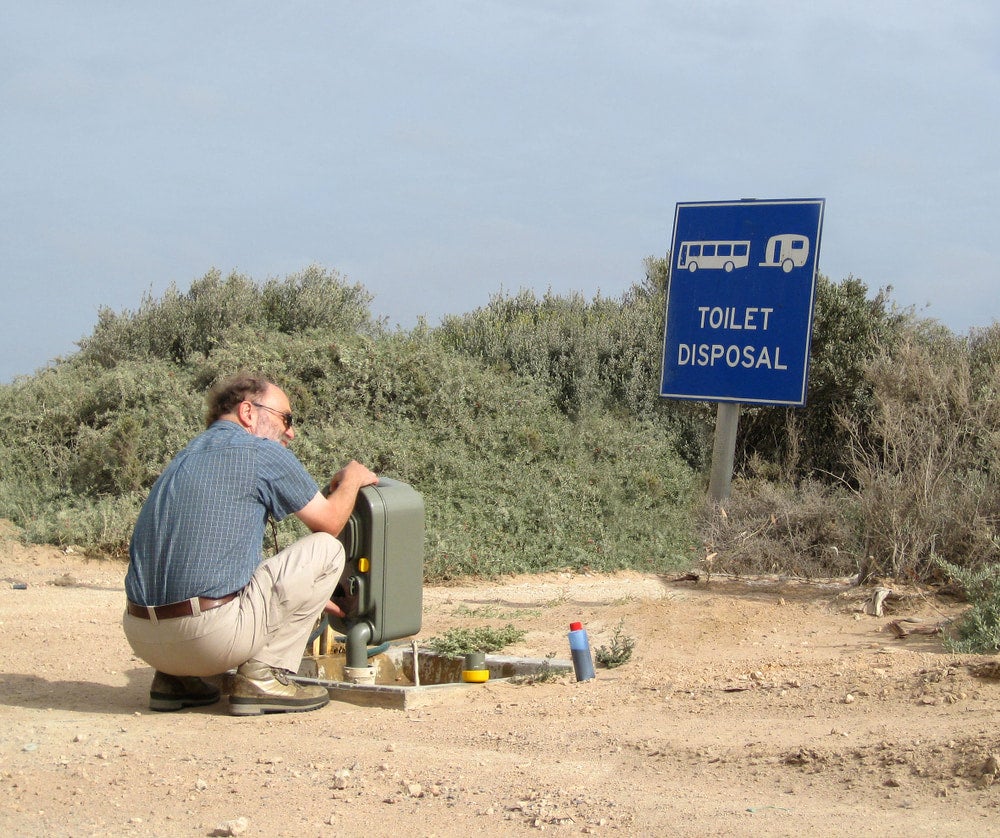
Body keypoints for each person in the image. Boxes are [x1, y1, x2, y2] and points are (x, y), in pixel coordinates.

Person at [122, 372, 378, 716]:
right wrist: (352, 478)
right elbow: (330, 522)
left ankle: (174, 681)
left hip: (143, 640)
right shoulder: (259, 451)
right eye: (285, 419)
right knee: (327, 549)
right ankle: (264, 678)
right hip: (209, 640)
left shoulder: (183, 457)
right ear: (248, 412)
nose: (291, 432)